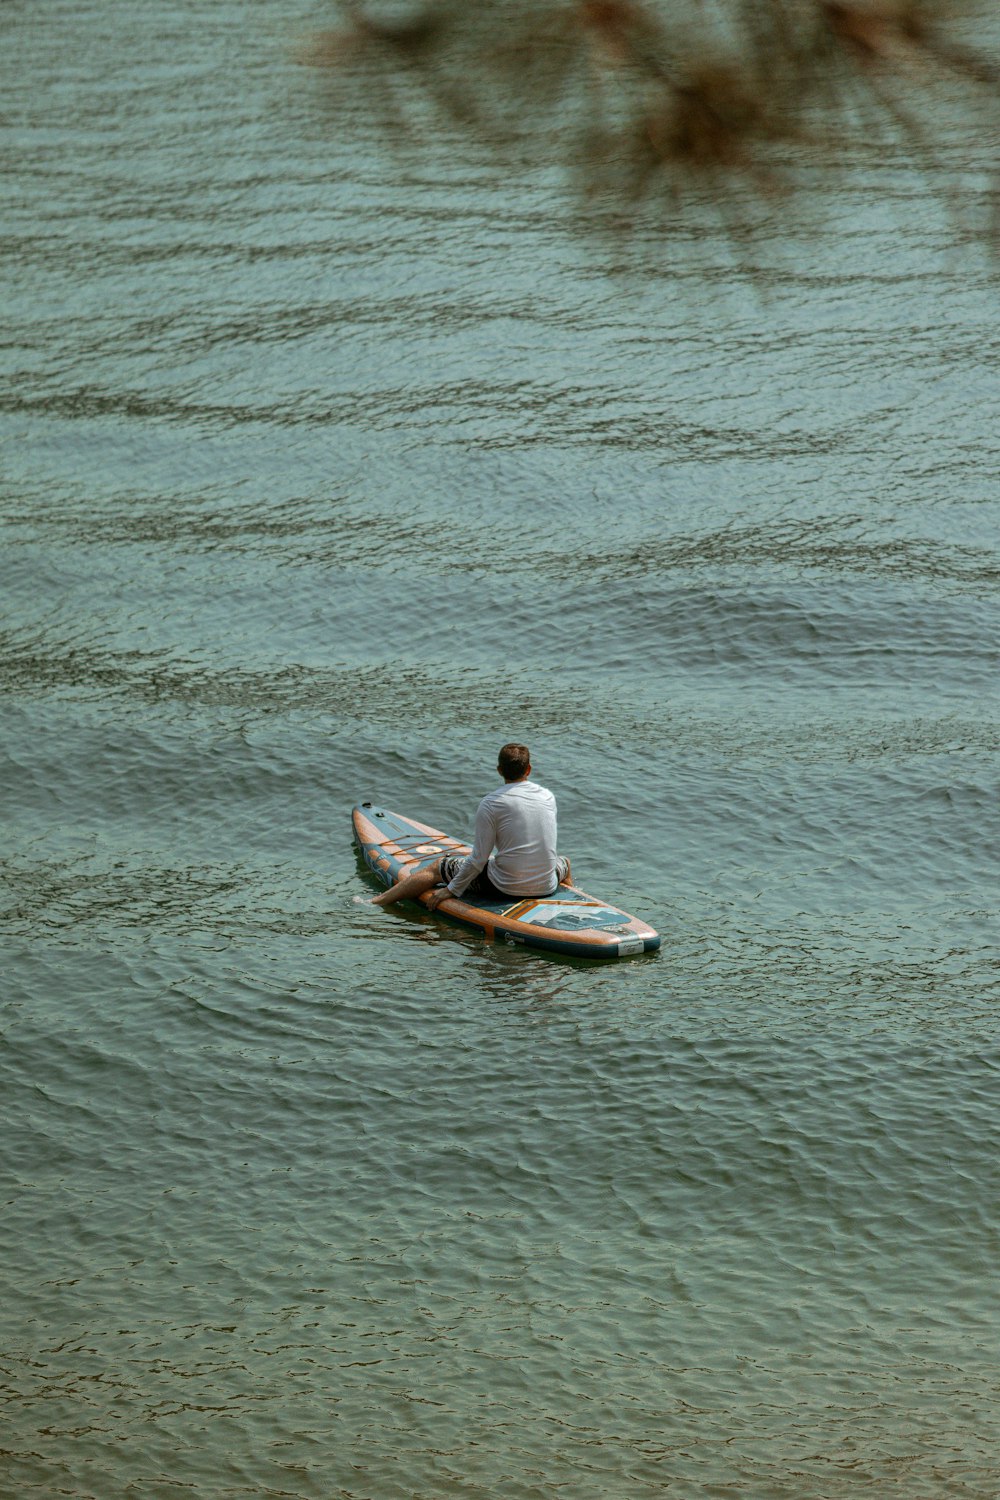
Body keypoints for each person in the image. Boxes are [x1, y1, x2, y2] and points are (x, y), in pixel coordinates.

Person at [372, 742, 571, 909]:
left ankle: (377, 901)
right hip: (547, 884)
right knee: (565, 863)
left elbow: (478, 859)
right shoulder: (548, 797)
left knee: (436, 868)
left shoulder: (491, 803)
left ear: (499, 770)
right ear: (529, 769)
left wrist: (450, 890)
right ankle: (570, 901)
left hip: (505, 886)